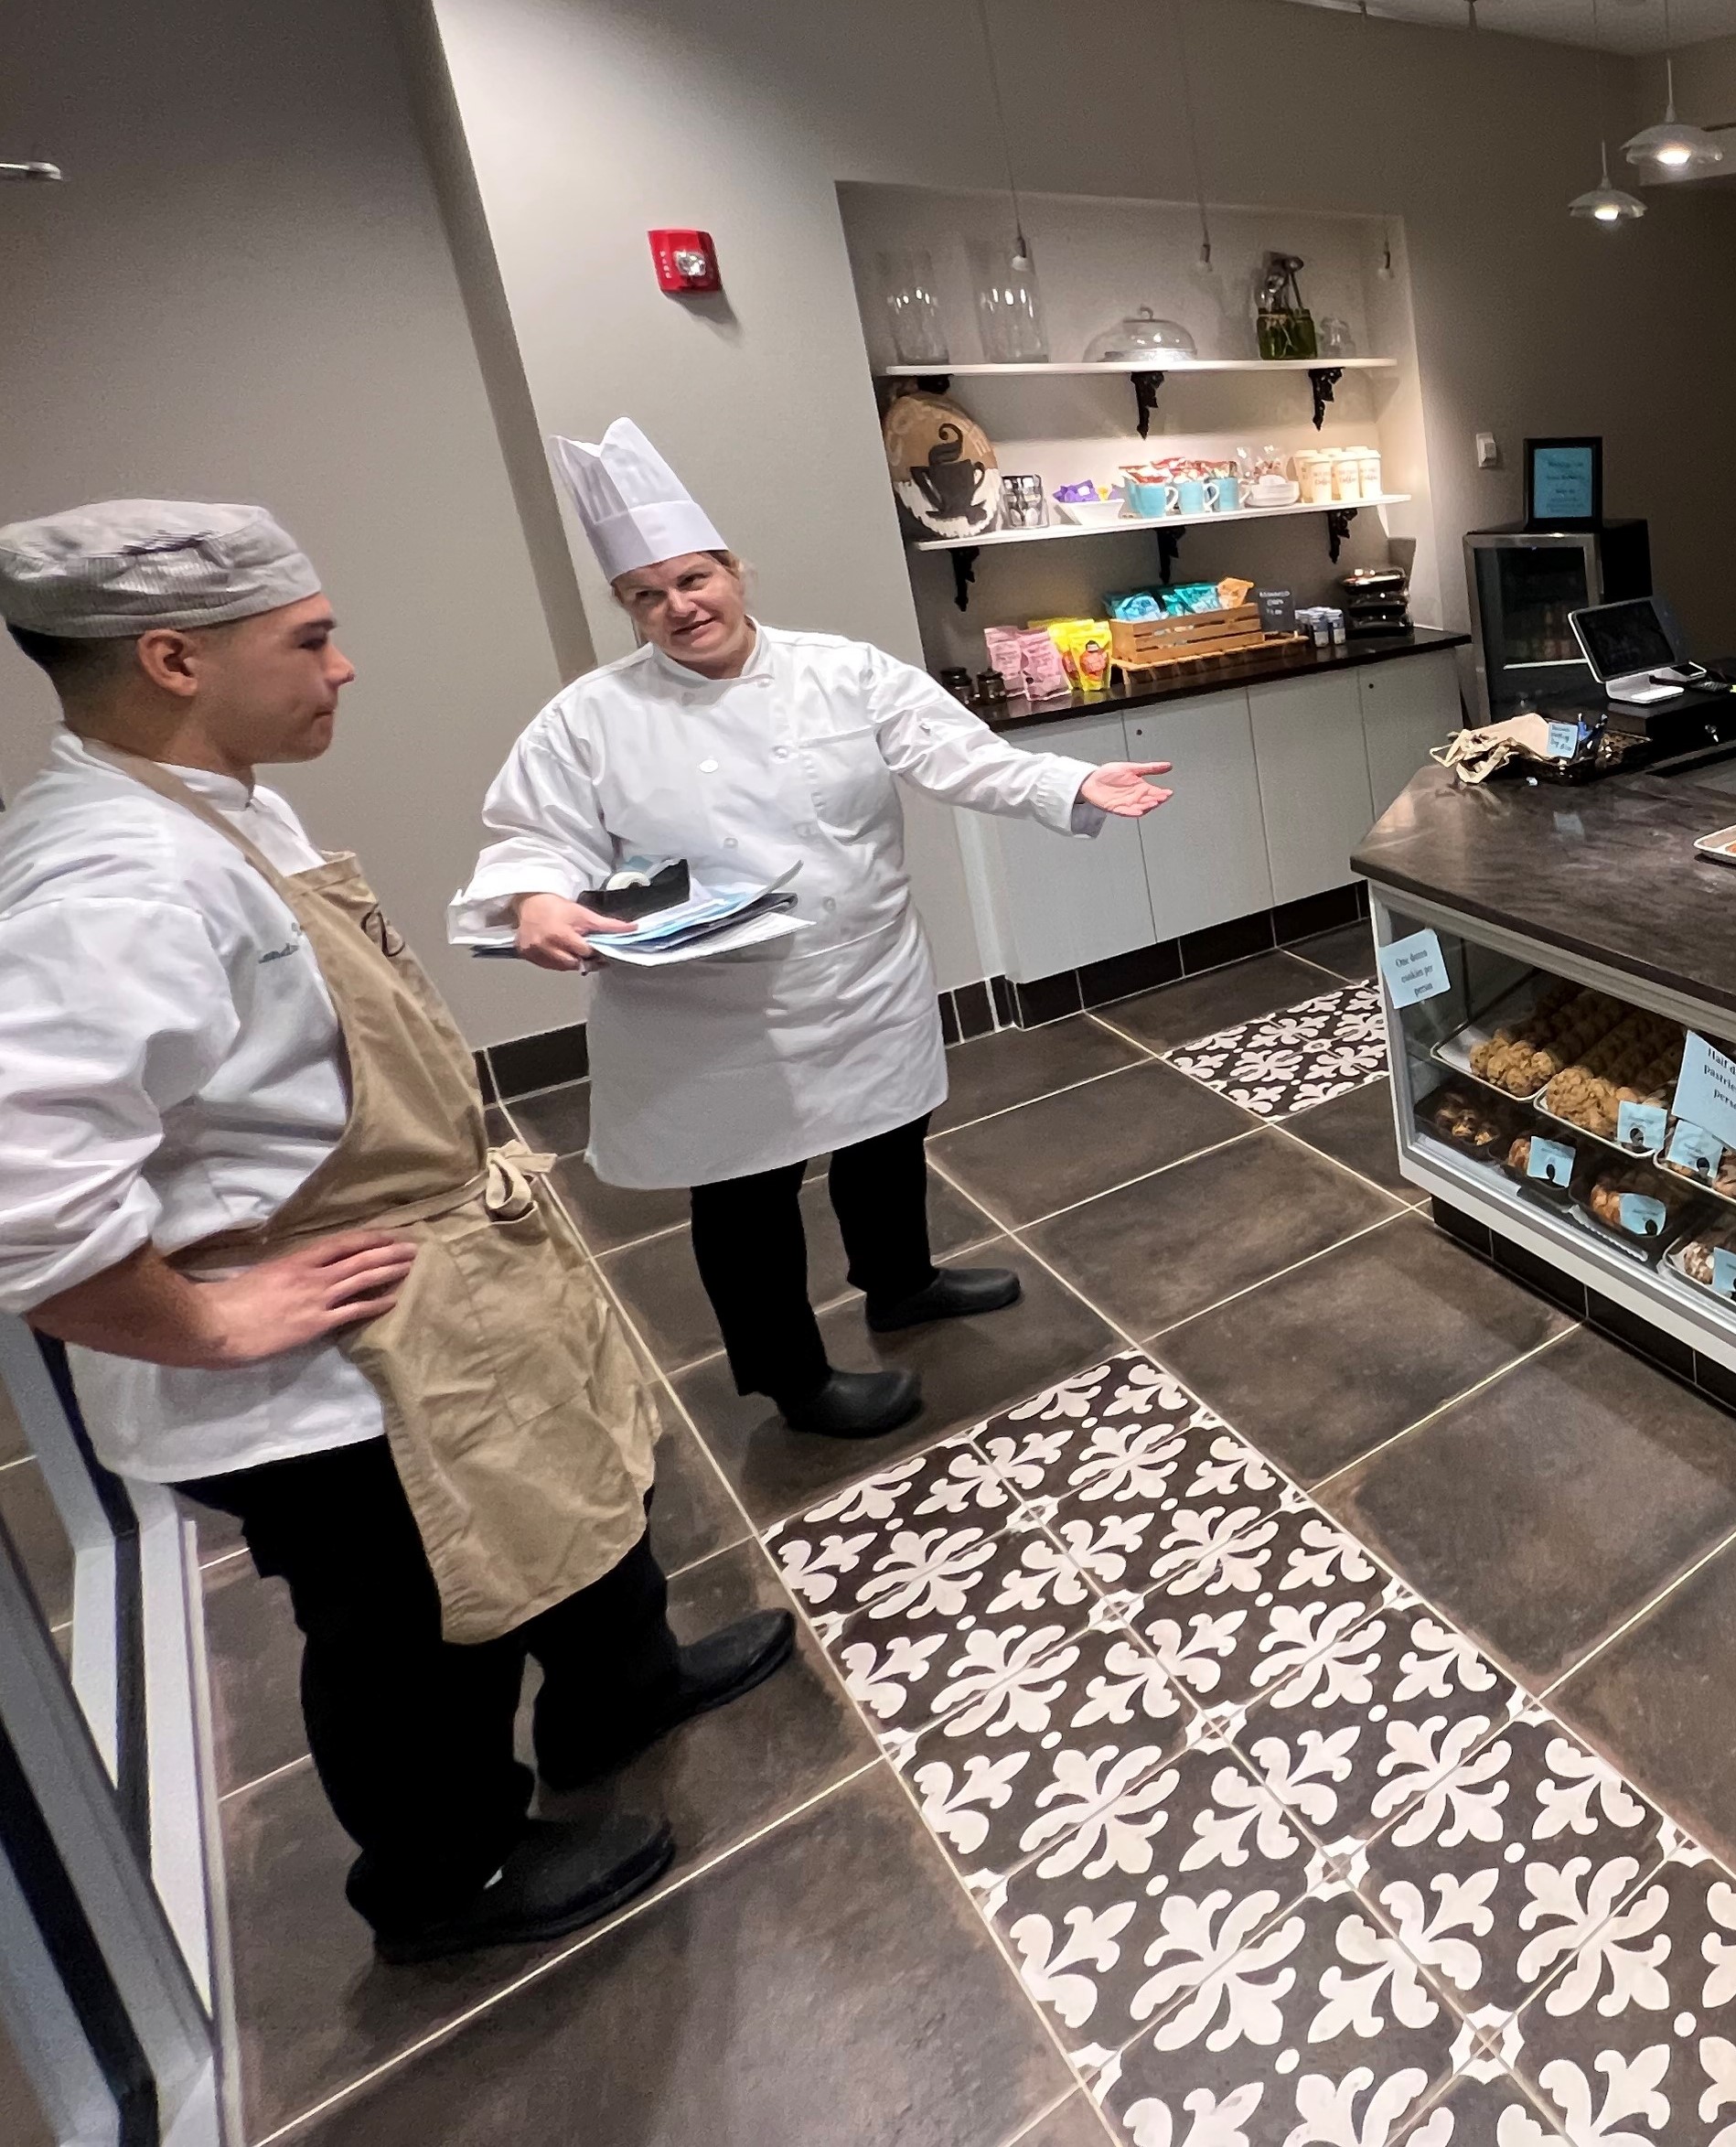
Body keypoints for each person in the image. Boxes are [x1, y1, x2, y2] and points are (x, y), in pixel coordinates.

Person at [0, 499, 794, 1964]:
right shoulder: (113, 875)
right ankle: (445, 1874)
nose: (344, 666)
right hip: (322, 1360)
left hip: (432, 1267)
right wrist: (211, 1320)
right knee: (416, 1619)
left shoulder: (215, 798)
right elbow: (21, 1187)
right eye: (308, 639)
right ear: (175, 657)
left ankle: (618, 1686)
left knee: (557, 1473)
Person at [457, 422, 1173, 1442]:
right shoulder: (591, 718)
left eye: (694, 578)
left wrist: (1068, 779)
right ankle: (791, 1380)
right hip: (709, 1006)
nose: (678, 607)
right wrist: (533, 897)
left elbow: (958, 756)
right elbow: (534, 834)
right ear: (628, 609)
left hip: (860, 965)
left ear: (736, 572)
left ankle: (900, 1281)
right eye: (647, 595)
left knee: (887, 1133)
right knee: (745, 1198)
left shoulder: (844, 673)